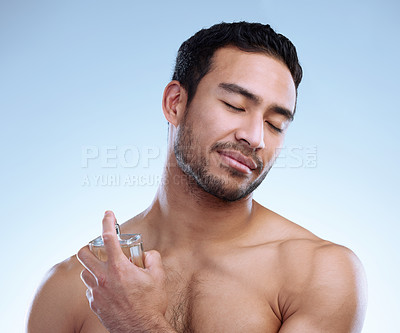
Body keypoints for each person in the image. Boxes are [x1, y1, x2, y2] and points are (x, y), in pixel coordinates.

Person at [27, 22, 367, 332]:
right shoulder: (74, 287)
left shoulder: (317, 273)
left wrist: (137, 323)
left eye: (275, 124)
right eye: (235, 105)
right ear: (175, 103)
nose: (256, 137)